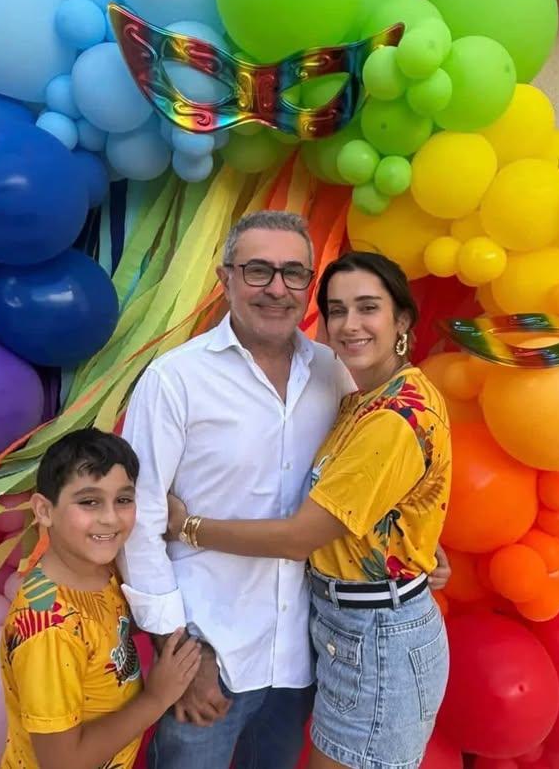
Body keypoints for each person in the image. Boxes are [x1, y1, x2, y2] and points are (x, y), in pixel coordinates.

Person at [118, 211, 450, 769]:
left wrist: (413, 547)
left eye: (294, 273)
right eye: (258, 270)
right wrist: (178, 649)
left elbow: (370, 487)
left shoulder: (334, 371)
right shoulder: (175, 380)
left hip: (305, 655)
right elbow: (140, 523)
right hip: (210, 654)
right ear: (225, 278)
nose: (277, 288)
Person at [0, 429, 201, 769]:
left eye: (123, 500)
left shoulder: (102, 571)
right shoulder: (49, 630)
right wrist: (156, 699)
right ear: (44, 510)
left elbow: (106, 629)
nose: (110, 517)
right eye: (89, 502)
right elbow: (61, 763)